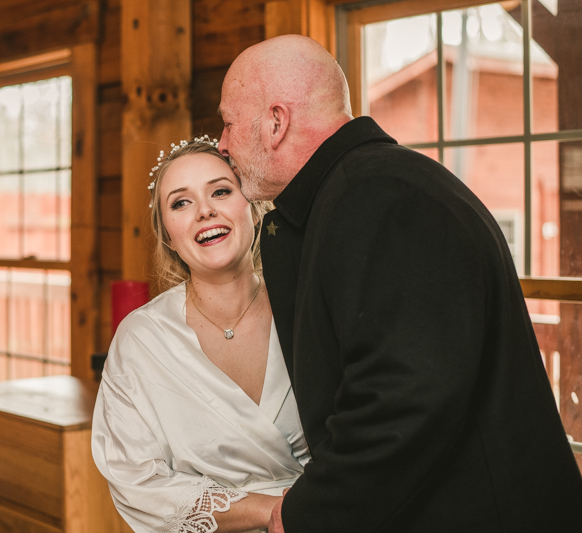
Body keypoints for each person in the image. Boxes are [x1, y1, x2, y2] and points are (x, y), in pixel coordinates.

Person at [217, 34, 582, 532]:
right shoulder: (349, 195)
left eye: (228, 123)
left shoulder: (381, 198)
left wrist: (310, 514)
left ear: (276, 122)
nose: (222, 143)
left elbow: (402, 399)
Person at [91, 137, 310, 533]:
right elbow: (135, 481)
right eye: (181, 202)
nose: (205, 211)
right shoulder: (141, 340)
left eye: (221, 191)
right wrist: (271, 511)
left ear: (255, 210)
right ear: (168, 237)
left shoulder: (308, 309)